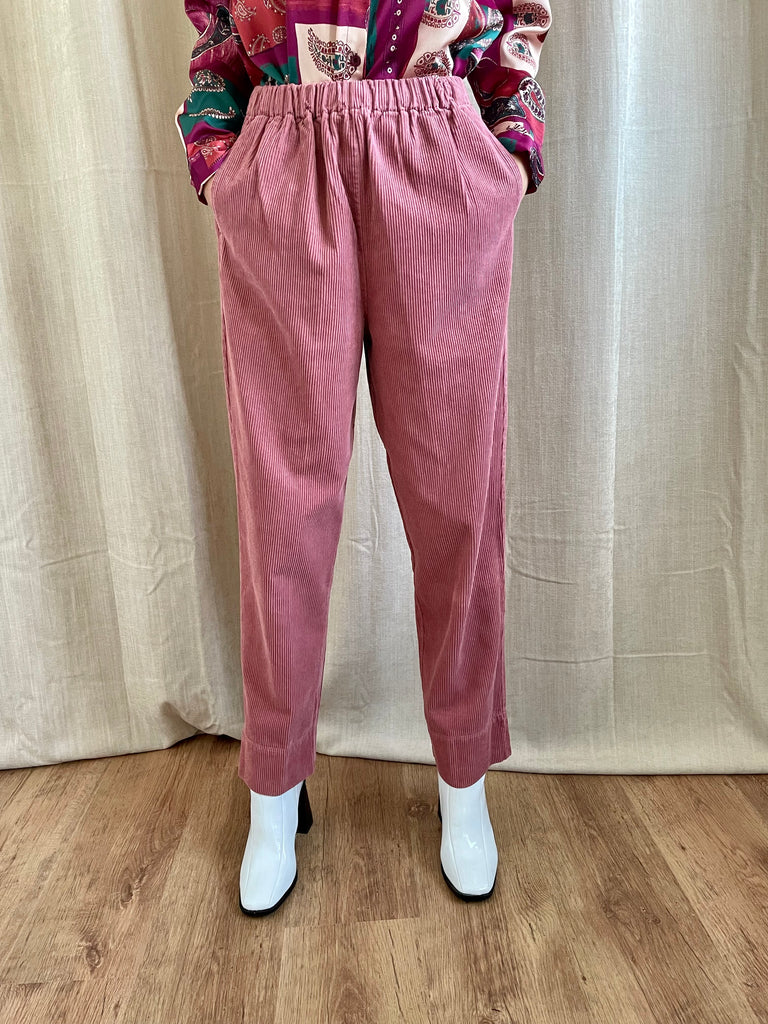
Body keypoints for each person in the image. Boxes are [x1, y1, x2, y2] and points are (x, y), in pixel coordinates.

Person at [175, 0, 552, 916]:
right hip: (284, 153)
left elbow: (518, 15)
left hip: (438, 151)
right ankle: (274, 788)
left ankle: (464, 780)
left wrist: (506, 152)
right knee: (283, 509)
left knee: (456, 498)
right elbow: (214, 31)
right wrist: (221, 162)